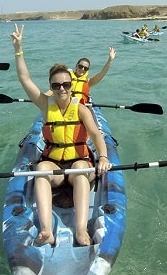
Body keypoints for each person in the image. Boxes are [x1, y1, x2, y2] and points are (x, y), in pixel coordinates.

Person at [10, 23, 112, 246]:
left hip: (78, 166)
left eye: (66, 84)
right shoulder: (45, 105)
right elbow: (24, 79)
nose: (62, 88)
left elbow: (95, 135)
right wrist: (18, 50)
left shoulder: (82, 109)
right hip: (55, 166)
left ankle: (81, 230)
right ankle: (47, 231)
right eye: (57, 85)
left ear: (71, 84)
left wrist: (103, 157)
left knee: (80, 168)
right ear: (51, 87)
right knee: (41, 169)